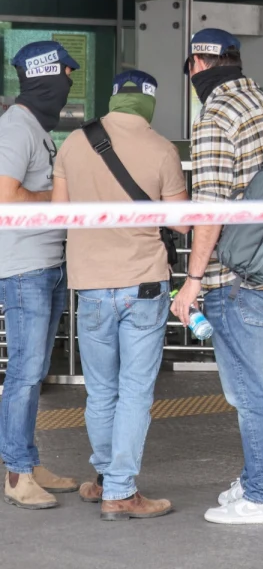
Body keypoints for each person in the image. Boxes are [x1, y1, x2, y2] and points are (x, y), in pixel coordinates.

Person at [170, 29, 263, 525]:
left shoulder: (215, 115)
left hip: (239, 278)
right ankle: (260, 480)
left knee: (250, 392)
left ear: (196, 65)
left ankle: (262, 498)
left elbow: (209, 210)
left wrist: (191, 279)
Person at [52, 70, 187, 520]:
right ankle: (120, 490)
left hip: (89, 285)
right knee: (133, 391)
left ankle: (107, 477)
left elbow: (59, 214)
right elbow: (183, 223)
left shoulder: (73, 143)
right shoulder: (162, 149)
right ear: (149, 101)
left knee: (101, 391)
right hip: (143, 284)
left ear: (114, 100)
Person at [0, 41, 81, 510]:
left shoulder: (36, 127)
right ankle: (16, 473)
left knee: (36, 372)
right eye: (68, 74)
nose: (70, 82)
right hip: (24, 268)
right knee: (25, 374)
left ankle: (27, 459)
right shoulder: (16, 128)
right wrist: (58, 201)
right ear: (50, 76)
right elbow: (6, 197)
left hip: (44, 264)